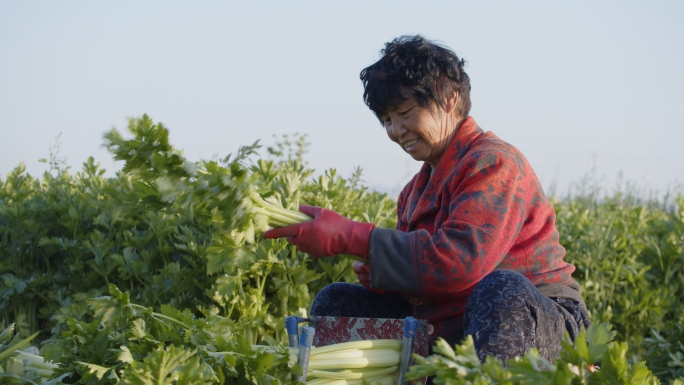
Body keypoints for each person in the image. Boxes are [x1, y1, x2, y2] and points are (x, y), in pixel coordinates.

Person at [264, 35, 590, 363]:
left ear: (449, 98)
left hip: (535, 320)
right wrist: (384, 278)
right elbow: (427, 278)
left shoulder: (494, 163)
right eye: (387, 120)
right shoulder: (412, 193)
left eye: (405, 112)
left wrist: (353, 236)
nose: (396, 130)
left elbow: (460, 263)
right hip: (451, 323)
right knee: (338, 301)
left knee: (500, 289)